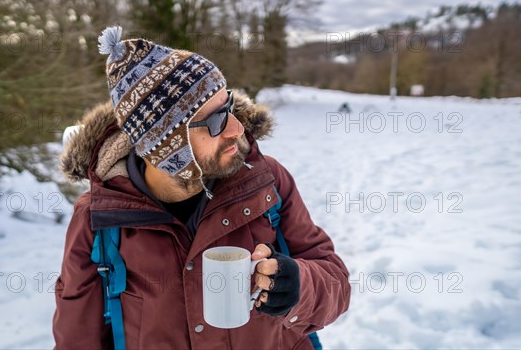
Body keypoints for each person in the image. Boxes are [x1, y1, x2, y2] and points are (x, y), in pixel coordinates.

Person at [53, 27, 351, 349]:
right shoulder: (99, 217)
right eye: (215, 121)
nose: (237, 129)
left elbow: (335, 283)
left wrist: (299, 286)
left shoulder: (267, 180)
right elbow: (76, 337)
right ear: (166, 148)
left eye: (229, 107)